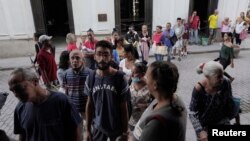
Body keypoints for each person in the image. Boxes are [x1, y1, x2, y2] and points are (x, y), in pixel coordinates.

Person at [8, 68, 82, 141]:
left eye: (19, 88)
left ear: (35, 81)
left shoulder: (61, 101)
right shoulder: (20, 107)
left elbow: (76, 130)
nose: (15, 94)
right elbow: (22, 135)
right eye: (12, 90)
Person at [85, 40, 130, 141]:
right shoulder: (91, 77)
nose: (102, 58)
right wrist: (88, 130)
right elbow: (89, 104)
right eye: (99, 54)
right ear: (94, 56)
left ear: (111, 57)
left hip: (116, 129)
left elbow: (124, 107)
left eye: (106, 55)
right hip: (98, 128)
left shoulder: (120, 78)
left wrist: (125, 131)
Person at [132, 61, 187, 141]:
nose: (144, 79)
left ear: (155, 85)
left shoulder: (157, 122)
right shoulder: (171, 99)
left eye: (147, 77)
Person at [190, 61, 236, 141]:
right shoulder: (199, 89)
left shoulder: (226, 83)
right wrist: (200, 131)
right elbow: (193, 113)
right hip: (204, 127)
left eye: (222, 75)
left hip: (222, 121)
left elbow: (230, 102)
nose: (222, 79)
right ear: (207, 76)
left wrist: (236, 119)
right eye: (218, 77)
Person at [63, 49, 92, 118]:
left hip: (86, 108)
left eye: (77, 58)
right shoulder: (66, 73)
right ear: (69, 60)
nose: (75, 60)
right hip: (73, 108)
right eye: (72, 58)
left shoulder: (90, 73)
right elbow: (66, 91)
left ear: (82, 59)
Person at [128, 62, 151, 131]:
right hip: (131, 120)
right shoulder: (130, 82)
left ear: (143, 74)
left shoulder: (150, 87)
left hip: (144, 121)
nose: (131, 75)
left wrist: (146, 105)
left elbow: (158, 103)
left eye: (134, 73)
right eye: (131, 72)